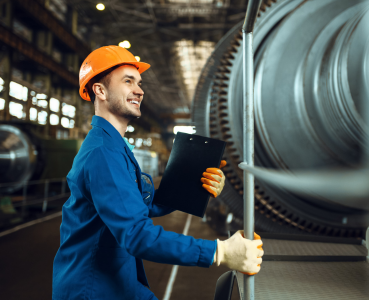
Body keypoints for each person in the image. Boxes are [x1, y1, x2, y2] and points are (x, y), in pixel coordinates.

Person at [52, 46, 264, 300]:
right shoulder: (102, 154)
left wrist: (197, 185)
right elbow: (136, 233)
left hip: (120, 281)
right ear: (100, 90)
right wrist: (220, 252)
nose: (140, 91)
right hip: (94, 288)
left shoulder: (115, 146)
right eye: (128, 81)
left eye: (139, 83)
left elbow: (138, 204)